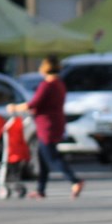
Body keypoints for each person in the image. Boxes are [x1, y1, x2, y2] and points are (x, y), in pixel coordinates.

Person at [7, 56, 83, 200]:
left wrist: (15, 108)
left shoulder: (47, 85)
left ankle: (75, 181)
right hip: (55, 123)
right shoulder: (59, 84)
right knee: (43, 157)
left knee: (51, 157)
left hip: (47, 126)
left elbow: (33, 103)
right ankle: (40, 189)